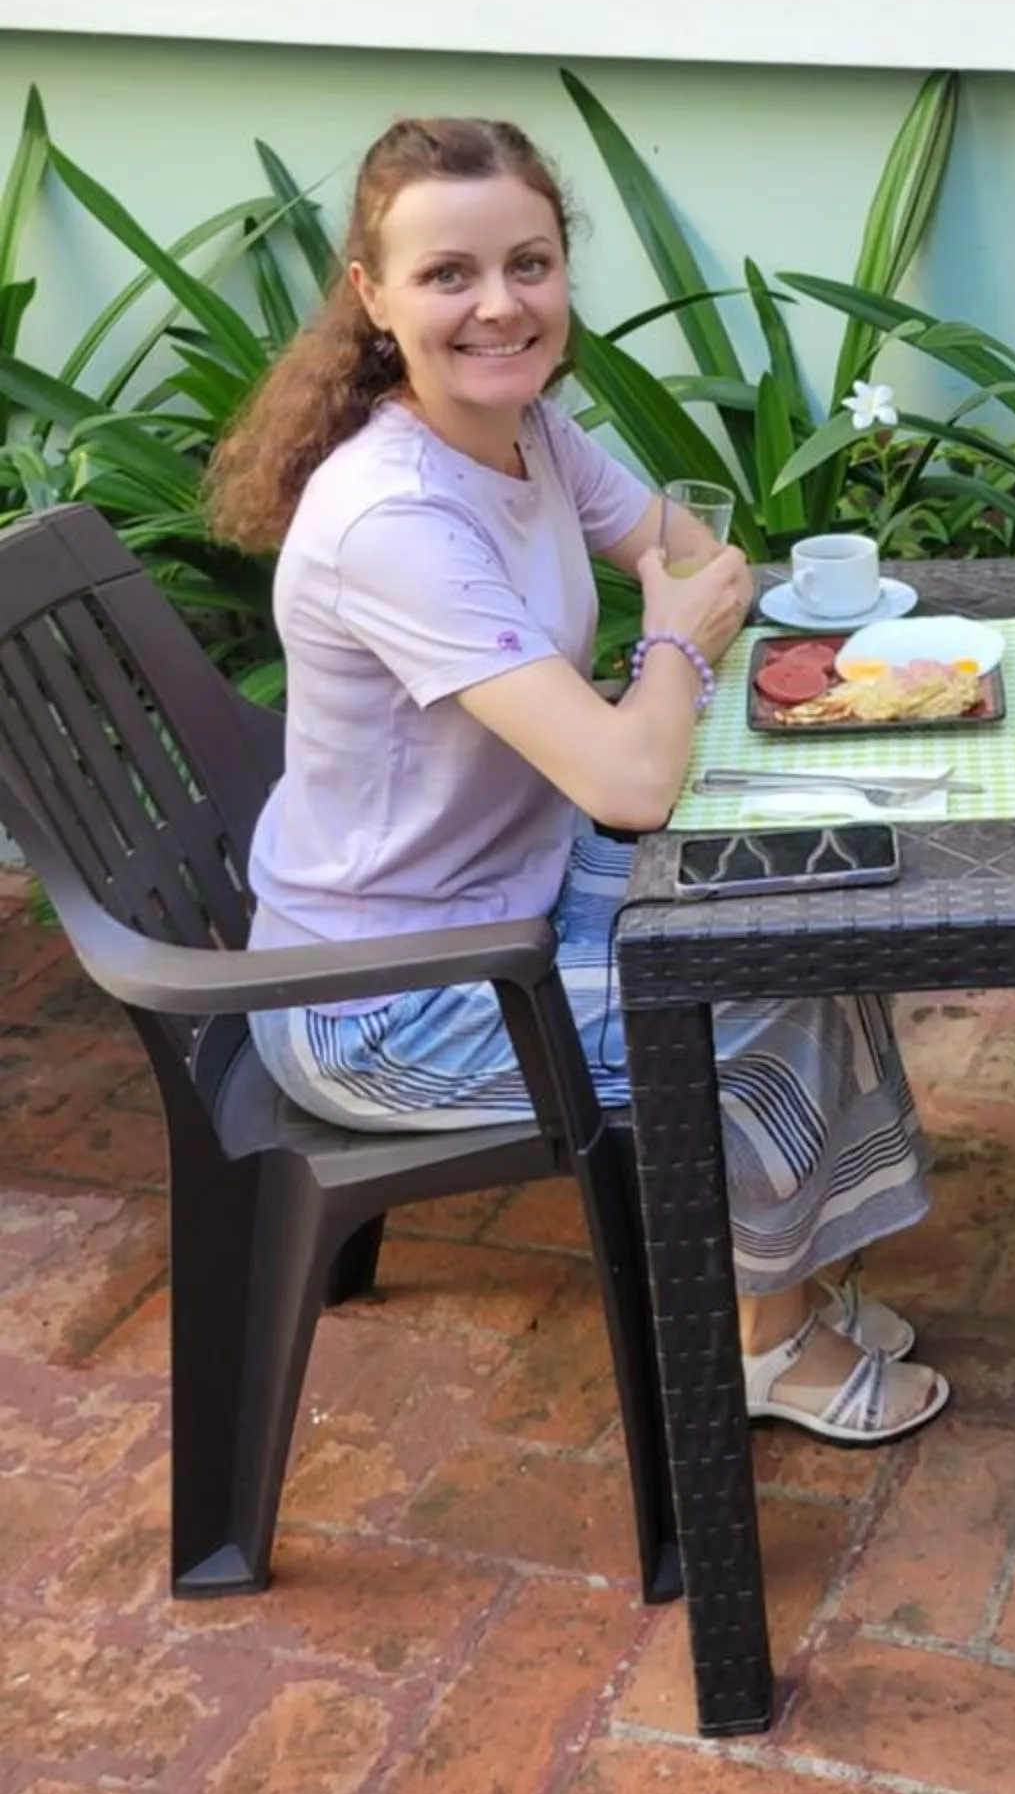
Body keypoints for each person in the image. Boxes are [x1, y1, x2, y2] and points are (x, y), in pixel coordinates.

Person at [205, 115, 946, 1443]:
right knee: (760, 1000)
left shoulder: (528, 433)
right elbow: (635, 772)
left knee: (822, 916)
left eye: (528, 264)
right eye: (448, 275)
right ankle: (765, 1339)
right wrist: (667, 646)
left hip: (518, 895)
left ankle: (797, 1273)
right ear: (372, 298)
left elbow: (698, 556)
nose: (499, 305)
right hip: (386, 997)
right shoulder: (393, 520)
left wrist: (669, 643)